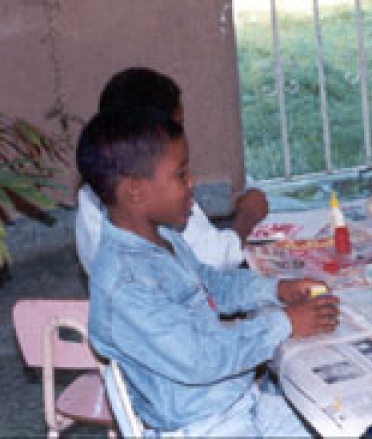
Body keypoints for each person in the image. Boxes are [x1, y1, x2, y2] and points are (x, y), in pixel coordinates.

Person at [78, 107, 339, 436]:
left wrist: (275, 290)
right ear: (135, 192)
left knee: (336, 422)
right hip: (202, 426)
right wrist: (285, 322)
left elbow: (213, 286)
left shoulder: (163, 238)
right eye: (180, 174)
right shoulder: (125, 284)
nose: (192, 182)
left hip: (240, 403)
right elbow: (201, 358)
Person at [75, 66, 267, 272]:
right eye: (176, 127)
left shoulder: (96, 197)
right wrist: (248, 215)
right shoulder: (152, 228)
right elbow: (215, 260)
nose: (191, 182)